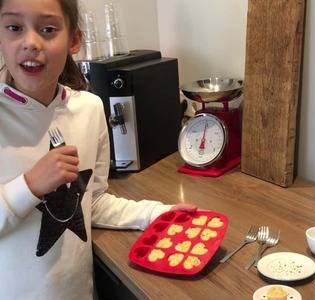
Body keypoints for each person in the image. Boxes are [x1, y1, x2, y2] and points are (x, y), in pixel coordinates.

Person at [0, 0, 196, 299]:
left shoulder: (90, 108)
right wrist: (30, 186)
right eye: (14, 27)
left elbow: (91, 202)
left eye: (48, 29)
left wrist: (158, 213)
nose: (30, 42)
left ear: (74, 40)